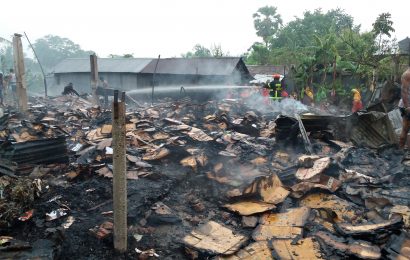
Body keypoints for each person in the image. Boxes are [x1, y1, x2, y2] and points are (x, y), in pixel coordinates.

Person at [398, 68, 410, 149]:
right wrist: (407, 106)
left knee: (405, 129)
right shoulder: (407, 74)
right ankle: (400, 150)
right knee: (405, 129)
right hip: (407, 106)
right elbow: (403, 91)